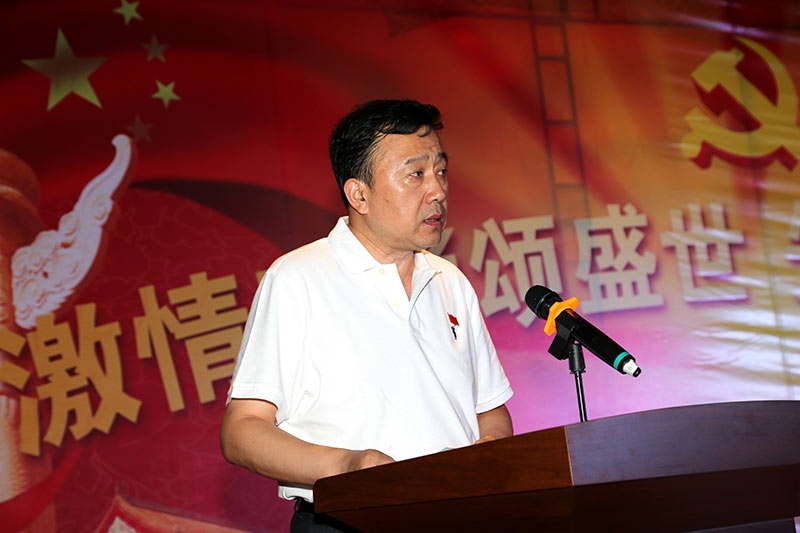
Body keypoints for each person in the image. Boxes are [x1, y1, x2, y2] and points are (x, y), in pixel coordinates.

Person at [220, 99, 514, 532]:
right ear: (359, 194)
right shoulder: (299, 278)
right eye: (416, 174)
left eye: (441, 171)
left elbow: (490, 412)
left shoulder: (449, 281)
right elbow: (242, 430)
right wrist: (348, 466)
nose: (437, 191)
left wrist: (485, 453)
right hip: (345, 522)